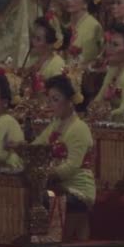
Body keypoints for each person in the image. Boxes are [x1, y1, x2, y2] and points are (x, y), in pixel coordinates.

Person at [32, 74, 96, 212]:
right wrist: (20, 148)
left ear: (70, 101)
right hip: (55, 187)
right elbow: (37, 146)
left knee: (40, 197)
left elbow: (71, 166)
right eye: (49, 100)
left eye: (55, 99)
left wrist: (45, 175)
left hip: (77, 190)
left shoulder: (79, 128)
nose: (50, 105)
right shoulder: (56, 124)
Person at [65, 0, 104, 65]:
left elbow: (100, 57)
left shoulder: (94, 26)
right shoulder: (67, 25)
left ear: (86, 2)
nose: (68, 0)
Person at [24, 12, 66, 94]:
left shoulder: (57, 64)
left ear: (50, 44)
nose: (33, 42)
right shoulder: (33, 60)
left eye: (38, 39)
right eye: (33, 37)